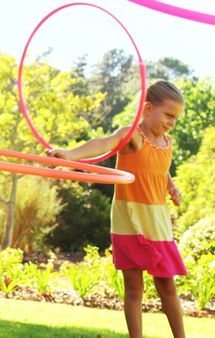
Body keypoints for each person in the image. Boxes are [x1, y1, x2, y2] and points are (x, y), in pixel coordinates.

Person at [47, 80, 187, 338]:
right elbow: (103, 143)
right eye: (168, 115)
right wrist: (70, 155)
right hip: (129, 219)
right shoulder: (132, 135)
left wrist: (171, 186)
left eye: (176, 118)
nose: (172, 122)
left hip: (157, 221)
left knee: (167, 284)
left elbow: (160, 169)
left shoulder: (167, 142)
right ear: (147, 108)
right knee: (133, 287)